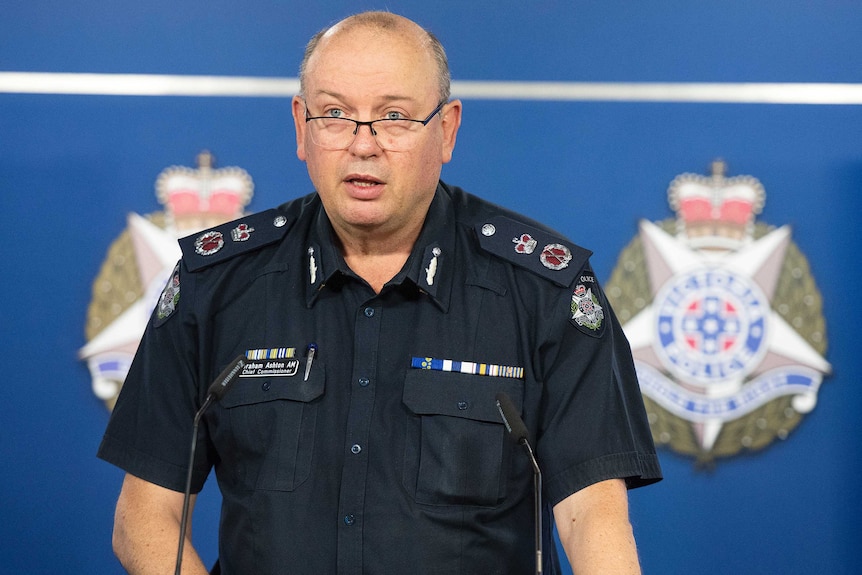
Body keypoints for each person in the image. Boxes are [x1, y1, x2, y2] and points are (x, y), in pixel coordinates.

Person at [99, 10, 661, 575]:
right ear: (302, 126)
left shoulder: (544, 289)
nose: (363, 145)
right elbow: (144, 519)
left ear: (446, 130)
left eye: (394, 117)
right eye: (336, 114)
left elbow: (592, 517)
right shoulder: (214, 283)